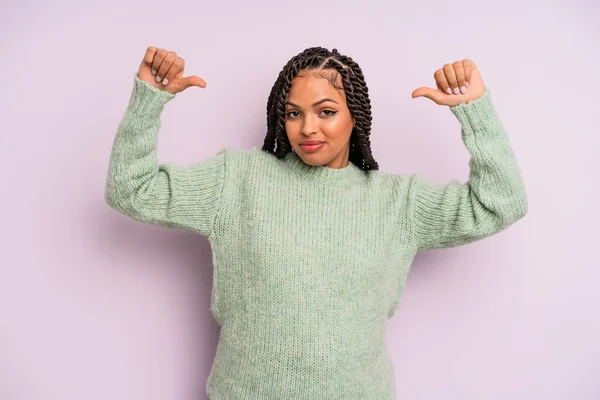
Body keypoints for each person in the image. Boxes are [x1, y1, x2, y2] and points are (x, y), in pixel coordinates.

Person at [105, 45, 528, 399]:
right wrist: (149, 99)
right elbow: (131, 190)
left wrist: (475, 111)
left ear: (354, 117)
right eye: (292, 113)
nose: (307, 128)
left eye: (325, 111)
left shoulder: (397, 202)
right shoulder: (236, 180)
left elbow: (500, 203)